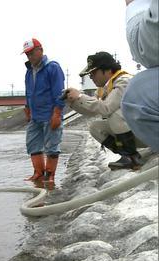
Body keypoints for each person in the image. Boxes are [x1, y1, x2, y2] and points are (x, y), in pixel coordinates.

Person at [64, 52, 145, 170]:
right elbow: (93, 110)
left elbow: (106, 108)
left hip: (150, 131)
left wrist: (80, 96)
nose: (91, 77)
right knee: (95, 127)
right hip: (139, 130)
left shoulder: (124, 81)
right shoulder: (106, 88)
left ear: (107, 70)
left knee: (114, 114)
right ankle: (126, 155)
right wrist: (74, 101)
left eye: (93, 73)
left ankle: (131, 157)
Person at [22, 38, 66, 184]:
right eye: (27, 54)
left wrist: (57, 114)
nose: (29, 57)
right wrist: (27, 108)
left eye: (32, 53)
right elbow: (29, 92)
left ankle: (50, 176)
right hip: (35, 116)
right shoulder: (29, 72)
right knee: (32, 144)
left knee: (52, 146)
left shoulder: (53, 68)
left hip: (50, 114)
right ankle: (38, 174)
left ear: (40, 50)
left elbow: (59, 93)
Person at [122, 0, 159, 152]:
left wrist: (80, 100)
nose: (92, 78)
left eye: (93, 73)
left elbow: (149, 47)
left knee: (138, 97)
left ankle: (130, 154)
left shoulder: (119, 82)